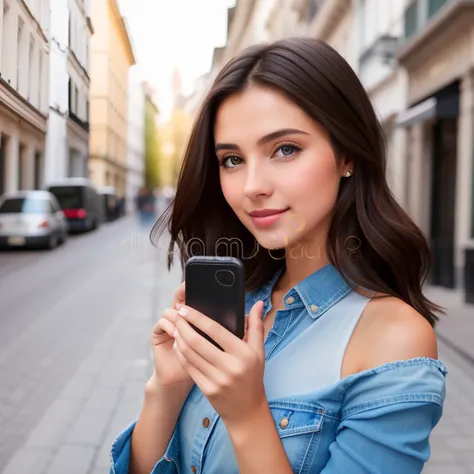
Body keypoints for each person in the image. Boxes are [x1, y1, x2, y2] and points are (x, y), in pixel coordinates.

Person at [110, 38, 447, 474]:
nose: (252, 185)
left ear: (346, 154)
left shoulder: (396, 338)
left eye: (285, 149)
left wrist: (247, 413)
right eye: (231, 159)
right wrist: (168, 387)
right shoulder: (240, 301)